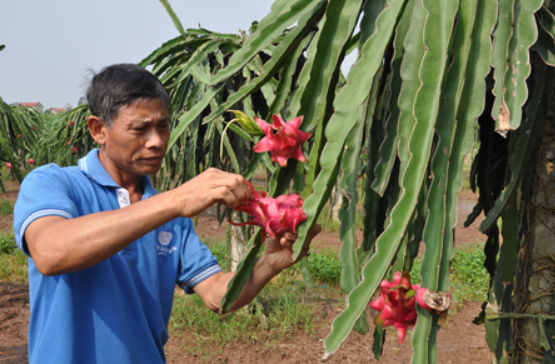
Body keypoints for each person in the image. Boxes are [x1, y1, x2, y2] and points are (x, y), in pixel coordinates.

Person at [13, 63, 320, 364]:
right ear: (98, 130)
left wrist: (269, 264)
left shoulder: (171, 216)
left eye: (162, 126)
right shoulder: (52, 183)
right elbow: (51, 252)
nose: (157, 141)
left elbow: (217, 295)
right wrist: (175, 200)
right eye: (140, 129)